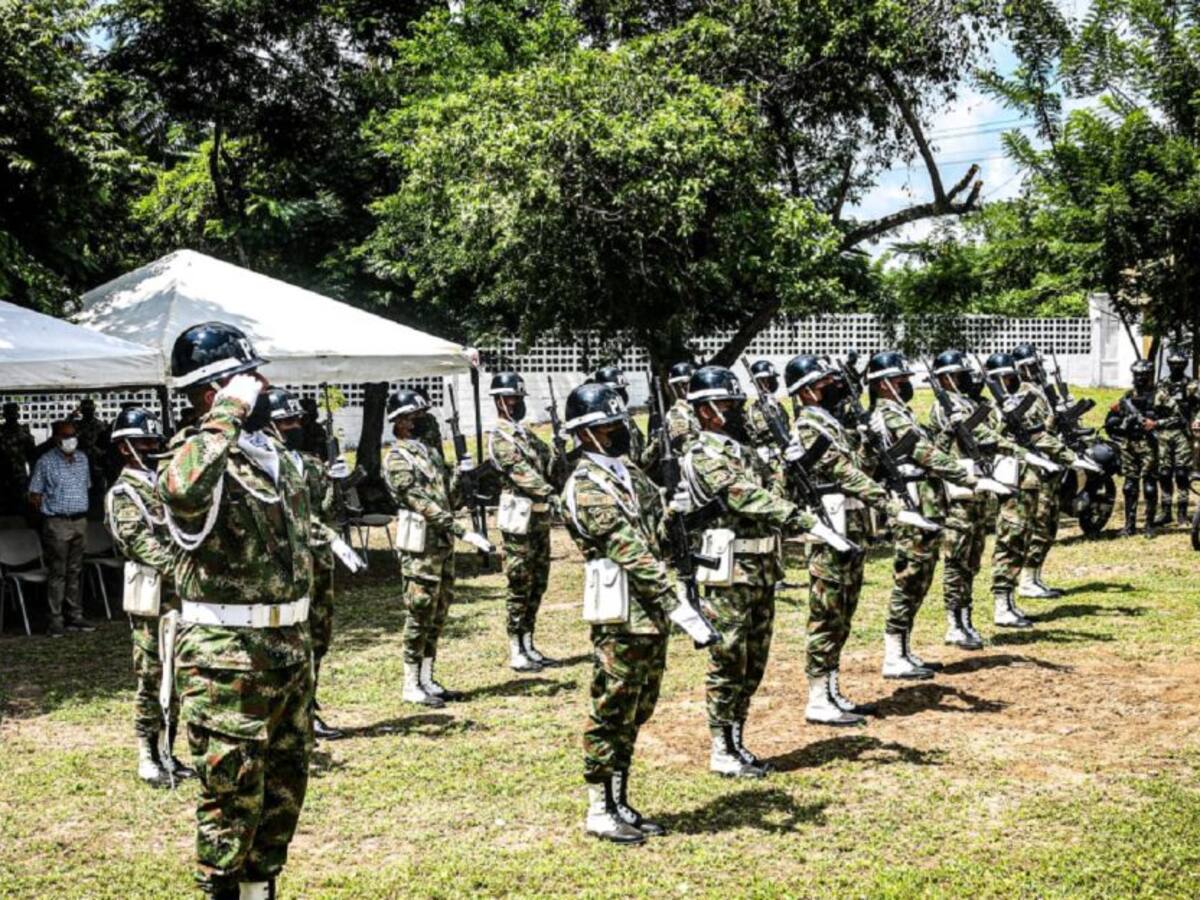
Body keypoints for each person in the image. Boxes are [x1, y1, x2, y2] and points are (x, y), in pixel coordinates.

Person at [158, 321, 315, 900]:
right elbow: (180, 490)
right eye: (247, 378)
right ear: (211, 393)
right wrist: (224, 414)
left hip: (286, 653)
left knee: (280, 800)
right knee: (231, 805)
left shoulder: (265, 454)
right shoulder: (193, 456)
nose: (262, 384)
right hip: (227, 663)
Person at [559, 381, 719, 843]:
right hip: (621, 609)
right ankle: (597, 807)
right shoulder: (586, 487)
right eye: (608, 427)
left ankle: (619, 798)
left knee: (638, 707)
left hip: (649, 610)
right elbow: (630, 550)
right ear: (586, 434)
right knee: (612, 705)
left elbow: (659, 532)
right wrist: (679, 603)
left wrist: (681, 512)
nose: (618, 432)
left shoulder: (629, 474)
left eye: (618, 424)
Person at [680, 365, 838, 777]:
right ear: (705, 411)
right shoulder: (702, 455)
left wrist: (791, 468)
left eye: (736, 403)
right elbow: (744, 498)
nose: (736, 411)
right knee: (728, 659)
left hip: (762, 567)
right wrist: (802, 520)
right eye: (727, 404)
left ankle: (737, 738)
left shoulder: (744, 453)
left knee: (754, 661)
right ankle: (720, 747)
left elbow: (774, 490)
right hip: (728, 570)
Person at [786, 355, 936, 724]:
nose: (832, 389)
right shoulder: (809, 427)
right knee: (826, 616)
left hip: (850, 529)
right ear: (806, 392)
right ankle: (818, 697)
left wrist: (866, 439)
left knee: (843, 615)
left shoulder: (833, 425)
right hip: (828, 532)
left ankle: (832, 690)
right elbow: (844, 473)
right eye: (825, 384)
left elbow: (862, 468)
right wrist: (893, 506)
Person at [866, 351, 1005, 678]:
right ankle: (893, 655)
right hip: (910, 502)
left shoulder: (902, 412)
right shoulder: (889, 415)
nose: (906, 384)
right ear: (884, 384)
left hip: (924, 501)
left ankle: (904, 650)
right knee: (909, 578)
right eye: (900, 380)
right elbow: (924, 453)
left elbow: (933, 447)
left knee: (920, 578)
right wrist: (968, 477)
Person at [927, 351, 1049, 644]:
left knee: (971, 558)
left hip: (978, 489)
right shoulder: (943, 408)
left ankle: (966, 618)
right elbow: (950, 445)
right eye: (960, 374)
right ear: (946, 378)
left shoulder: (969, 404)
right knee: (957, 558)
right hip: (958, 491)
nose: (967, 379)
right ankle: (954, 623)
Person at [104, 406, 196, 787]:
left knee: (177, 678)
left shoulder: (163, 483)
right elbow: (139, 542)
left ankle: (168, 750)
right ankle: (147, 751)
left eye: (154, 440)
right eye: (142, 441)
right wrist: (184, 569)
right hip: (153, 596)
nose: (151, 446)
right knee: (152, 674)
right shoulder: (124, 493)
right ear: (125, 447)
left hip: (181, 597)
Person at [385, 388, 493, 706]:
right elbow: (422, 504)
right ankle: (410, 683)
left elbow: (449, 500)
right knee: (419, 612)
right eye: (417, 417)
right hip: (420, 547)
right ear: (401, 423)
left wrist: (462, 473)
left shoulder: (430, 454)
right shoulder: (396, 459)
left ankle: (427, 677)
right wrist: (463, 532)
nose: (424, 422)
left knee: (438, 613)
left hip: (441, 545)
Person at [267, 387, 351, 741]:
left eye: (295, 420)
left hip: (318, 563)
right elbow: (290, 516)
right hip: (286, 567)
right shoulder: (265, 464)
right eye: (284, 421)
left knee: (319, 637)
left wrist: (338, 482)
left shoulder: (311, 463)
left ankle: (310, 707)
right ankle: (287, 714)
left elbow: (329, 511)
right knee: (288, 643)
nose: (292, 426)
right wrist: (326, 535)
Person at [981, 352, 1071, 628]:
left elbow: (1037, 432)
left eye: (1012, 375)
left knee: (1020, 539)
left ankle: (1009, 600)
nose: (1011, 380)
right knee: (1009, 541)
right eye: (1005, 376)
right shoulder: (987, 407)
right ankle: (1001, 603)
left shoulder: (1020, 398)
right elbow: (986, 438)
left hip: (1029, 476)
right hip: (1009, 478)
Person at [1010, 343, 1100, 593]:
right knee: (1039, 524)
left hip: (1052, 465)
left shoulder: (1042, 392)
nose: (1037, 370)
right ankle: (1026, 580)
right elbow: (1036, 433)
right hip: (1037, 466)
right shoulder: (1024, 395)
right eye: (1030, 366)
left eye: (1037, 365)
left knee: (1049, 525)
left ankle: (1034, 576)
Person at [487, 371, 560, 671]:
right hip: (519, 519)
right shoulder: (500, 437)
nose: (517, 403)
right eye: (512, 398)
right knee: (520, 582)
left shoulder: (525, 433)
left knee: (538, 581)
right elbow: (522, 473)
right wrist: (550, 492)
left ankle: (529, 640)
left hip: (539, 518)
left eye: (518, 398)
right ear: (499, 401)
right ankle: (515, 645)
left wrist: (559, 446)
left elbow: (548, 464)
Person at [28, 419, 95, 637]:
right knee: (58, 572)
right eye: (66, 436)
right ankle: (55, 619)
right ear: (56, 439)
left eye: (73, 435)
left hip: (79, 521)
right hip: (57, 522)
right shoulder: (45, 462)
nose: (71, 440)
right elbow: (35, 495)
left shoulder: (82, 459)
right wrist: (49, 516)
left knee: (75, 571)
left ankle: (75, 615)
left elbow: (86, 487)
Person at [1108, 359, 1161, 537]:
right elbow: (1113, 419)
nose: (1139, 378)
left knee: (1149, 484)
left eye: (1143, 375)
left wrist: (1156, 423)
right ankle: (1129, 525)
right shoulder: (1128, 397)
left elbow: (1178, 418)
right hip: (1129, 444)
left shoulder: (1159, 395)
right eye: (1136, 375)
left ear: (1149, 376)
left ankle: (1149, 525)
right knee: (1129, 485)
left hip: (1148, 443)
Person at [1154, 348, 1198, 525]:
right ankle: (1165, 511)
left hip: (1182, 433)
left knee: (1181, 473)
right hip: (1164, 433)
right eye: (1173, 364)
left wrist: (1197, 420)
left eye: (1180, 364)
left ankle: (1182, 512)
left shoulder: (1192, 385)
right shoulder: (1162, 384)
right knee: (1164, 473)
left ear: (1185, 365)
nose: (1176, 368)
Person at [592, 365, 646, 466]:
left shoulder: (627, 419)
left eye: (622, 390)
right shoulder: (595, 425)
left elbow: (640, 455)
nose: (621, 396)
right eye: (617, 391)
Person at [71, 397, 110, 516]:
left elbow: (106, 445)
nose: (88, 411)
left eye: (90, 409)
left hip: (96, 463)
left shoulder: (101, 425)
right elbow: (63, 428)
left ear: (94, 410)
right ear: (81, 411)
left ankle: (98, 514)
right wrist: (72, 415)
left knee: (98, 490)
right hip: (79, 464)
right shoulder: (76, 425)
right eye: (85, 409)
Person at [0, 402, 37, 516]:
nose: (11, 416)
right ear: (5, 415)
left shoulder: (24, 432)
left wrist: (33, 475)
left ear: (17, 415)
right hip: (2, 473)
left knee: (20, 504)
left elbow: (31, 454)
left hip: (19, 473)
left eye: (13, 413)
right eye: (9, 414)